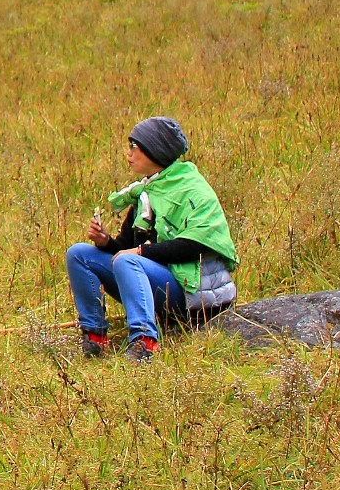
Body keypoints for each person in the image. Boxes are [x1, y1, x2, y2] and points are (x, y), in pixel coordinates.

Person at [66, 117, 239, 361]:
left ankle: (145, 342)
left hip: (193, 296)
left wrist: (139, 254)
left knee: (128, 261)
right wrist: (106, 242)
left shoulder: (193, 190)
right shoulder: (147, 192)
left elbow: (197, 245)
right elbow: (126, 249)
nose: (129, 154)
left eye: (134, 147)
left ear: (155, 150)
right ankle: (95, 337)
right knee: (79, 254)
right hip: (155, 282)